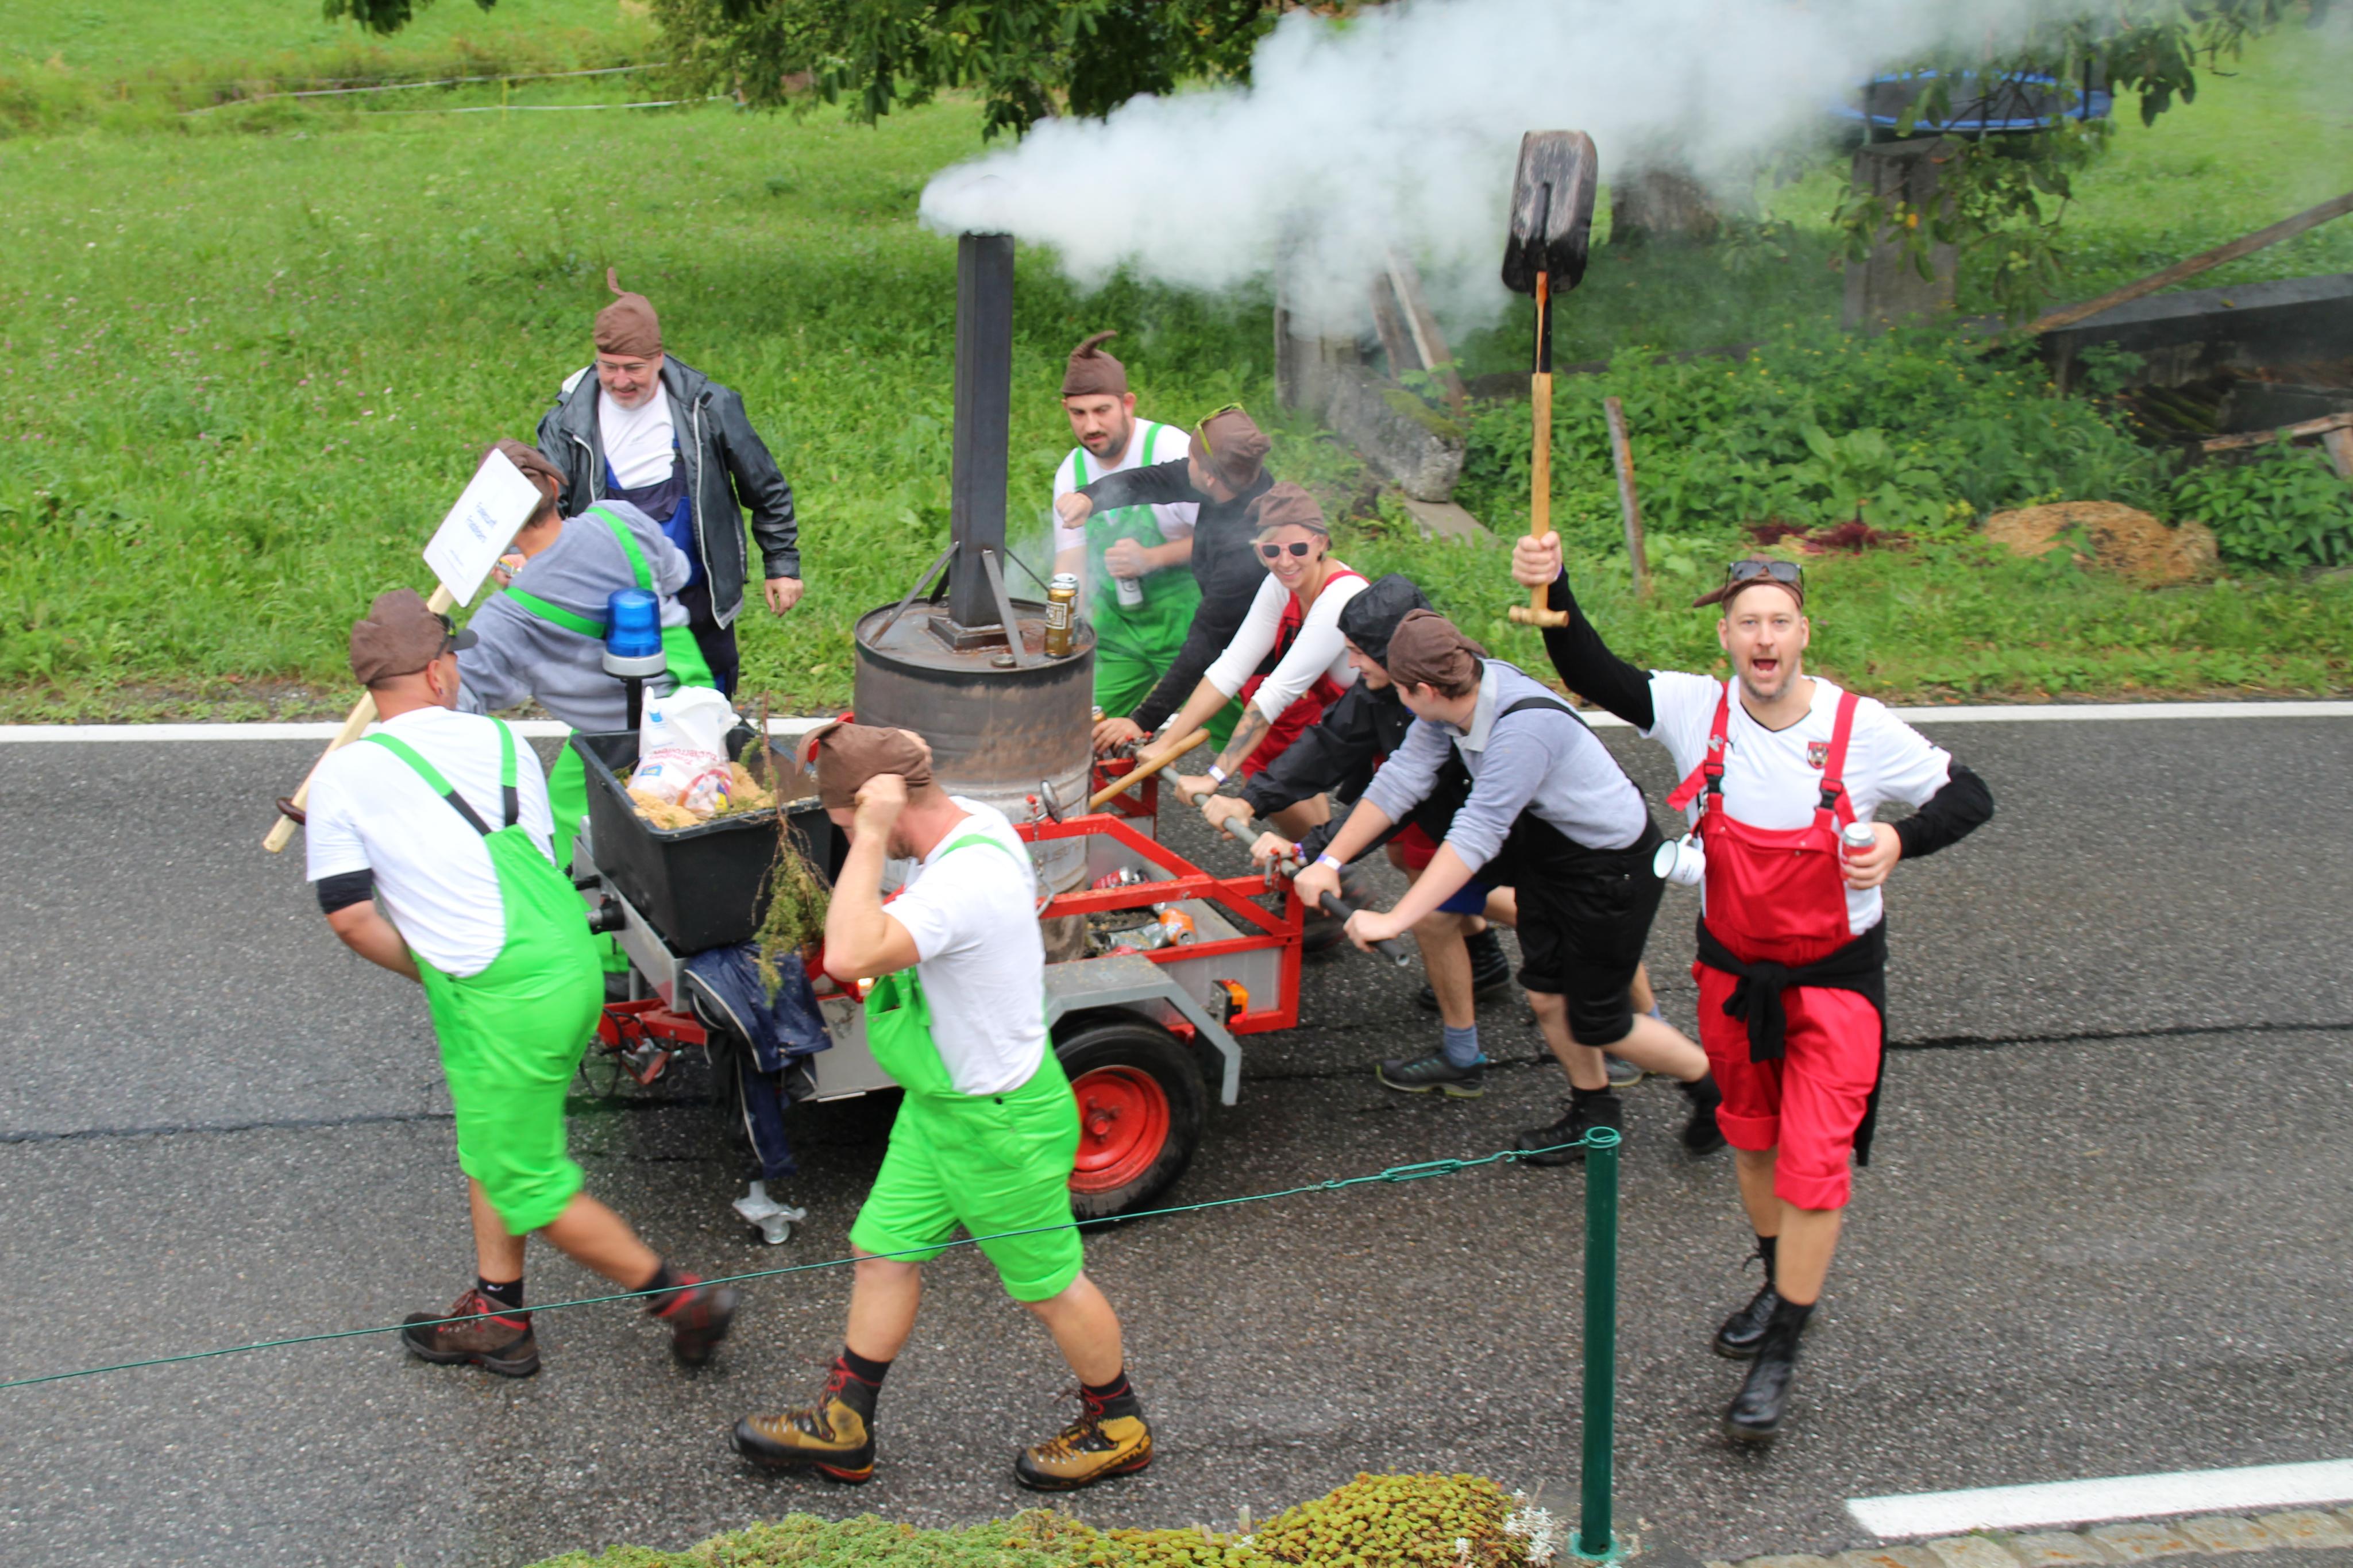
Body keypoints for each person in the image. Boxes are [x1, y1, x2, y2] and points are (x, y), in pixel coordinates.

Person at [1511, 535, 1993, 1443]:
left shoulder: (1860, 727)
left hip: (1836, 987)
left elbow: (1970, 796)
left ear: (1804, 632)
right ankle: (1779, 1281)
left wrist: (1900, 841)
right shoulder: (1698, 710)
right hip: (1732, 977)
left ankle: (1783, 1347)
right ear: (1726, 636)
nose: (1764, 638)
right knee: (1754, 1140)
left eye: (1779, 622)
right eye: (1747, 623)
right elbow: (1590, 669)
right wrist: (1553, 581)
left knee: (1815, 1168)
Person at [305, 590, 738, 1378]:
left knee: (528, 1182)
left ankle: (681, 1298)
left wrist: (434, 972)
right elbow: (530, 855)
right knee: (495, 1142)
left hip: (498, 994)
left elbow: (352, 918)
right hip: (566, 961)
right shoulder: (503, 742)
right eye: (454, 657)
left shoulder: (343, 776)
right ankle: (499, 1311)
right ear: (435, 674)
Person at [732, 723, 1150, 1492]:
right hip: (943, 1105)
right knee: (883, 1250)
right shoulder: (975, 825)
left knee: (1050, 1285)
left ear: (880, 805)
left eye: (843, 823)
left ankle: (1120, 1425)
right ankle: (845, 1425)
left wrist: (870, 835)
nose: (845, 837)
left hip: (999, 1123)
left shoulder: (963, 882)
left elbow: (849, 953)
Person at [1292, 611, 1725, 1154]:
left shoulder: (1521, 730)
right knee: (1547, 997)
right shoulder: (1453, 698)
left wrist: (1396, 919)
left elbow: (1475, 835)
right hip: (1553, 856)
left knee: (1602, 1022)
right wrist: (1328, 860)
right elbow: (1400, 780)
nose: (1395, 697)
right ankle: (1593, 1113)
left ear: (1425, 689)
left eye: (1400, 689)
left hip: (1612, 868)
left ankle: (1712, 1088)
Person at [1190, 571, 1516, 1091]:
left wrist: (1314, 851)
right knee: (1424, 886)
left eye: (1360, 653)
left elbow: (1396, 804)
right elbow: (1329, 743)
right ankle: (1484, 981)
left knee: (1491, 910)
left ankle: (1617, 1008)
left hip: (1505, 824)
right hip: (1450, 813)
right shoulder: (1385, 685)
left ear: (1395, 654)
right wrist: (1251, 800)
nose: (1351, 664)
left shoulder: (1435, 701)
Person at [456, 439, 711, 885]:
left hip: (612, 742)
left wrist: (520, 580)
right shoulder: (620, 518)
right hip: (691, 707)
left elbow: (462, 699)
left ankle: (598, 926)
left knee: (576, 835)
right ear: (556, 487)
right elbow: (677, 573)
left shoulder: (509, 619)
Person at [537, 270, 801, 697]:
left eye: (634, 368)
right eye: (609, 367)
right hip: (610, 604)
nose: (621, 381)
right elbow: (548, 506)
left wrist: (782, 565)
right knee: (612, 712)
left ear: (659, 359)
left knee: (705, 707)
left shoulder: (708, 408)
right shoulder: (568, 422)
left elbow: (766, 488)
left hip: (697, 601)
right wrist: (521, 554)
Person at [1059, 405, 1273, 759]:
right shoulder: (1230, 482)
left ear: (1210, 478)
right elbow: (1155, 480)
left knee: (1260, 761)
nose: (1184, 466)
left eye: (1191, 460)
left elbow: (1205, 643)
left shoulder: (1247, 548)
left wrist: (1143, 720)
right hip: (1222, 640)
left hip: (1260, 661)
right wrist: (1090, 497)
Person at [1152, 483, 1365, 838]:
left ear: (1322, 543)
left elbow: (1275, 694)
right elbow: (1231, 666)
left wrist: (1214, 777)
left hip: (1394, 719)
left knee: (1409, 849)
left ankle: (1323, 860)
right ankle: (1317, 859)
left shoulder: (1341, 595)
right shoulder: (1280, 583)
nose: (1285, 561)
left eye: (1298, 548)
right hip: (1346, 716)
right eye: (1271, 550)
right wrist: (1166, 744)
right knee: (1271, 766)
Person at [1048, 332, 1199, 721]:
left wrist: (1152, 558)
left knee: (1231, 729)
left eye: (1102, 410)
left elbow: (1223, 541)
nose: (1091, 425)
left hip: (1186, 625)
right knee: (1071, 722)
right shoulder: (1072, 471)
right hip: (1118, 632)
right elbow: (1071, 562)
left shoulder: (1168, 449)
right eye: (1078, 414)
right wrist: (1063, 636)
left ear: (1127, 403)